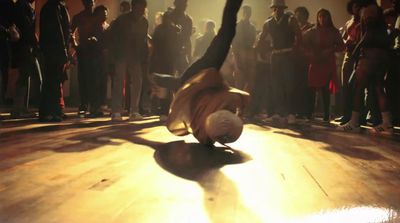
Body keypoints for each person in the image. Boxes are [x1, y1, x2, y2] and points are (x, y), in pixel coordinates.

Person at [153, 0, 249, 146]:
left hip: (200, 73)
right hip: (202, 72)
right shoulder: (219, 110)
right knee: (226, 33)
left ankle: (154, 77)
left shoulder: (203, 123)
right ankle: (155, 78)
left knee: (180, 82)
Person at [340, 0, 394, 135]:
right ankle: (387, 122)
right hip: (382, 54)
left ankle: (354, 122)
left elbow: (368, 34)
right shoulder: (377, 9)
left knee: (358, 86)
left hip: (370, 54)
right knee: (378, 87)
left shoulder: (367, 11)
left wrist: (356, 51)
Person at [258, 0, 302, 124]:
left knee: (289, 85)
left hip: (288, 54)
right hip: (275, 56)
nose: (278, 9)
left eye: (281, 7)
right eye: (276, 7)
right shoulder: (268, 23)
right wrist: (260, 50)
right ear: (273, 8)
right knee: (276, 86)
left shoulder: (290, 19)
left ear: (284, 8)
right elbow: (261, 37)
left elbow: (299, 36)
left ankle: (291, 113)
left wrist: (295, 50)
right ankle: (278, 112)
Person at [107, 0, 148, 121]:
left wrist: (144, 57)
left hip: (135, 56)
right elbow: (112, 37)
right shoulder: (121, 20)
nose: (141, 11)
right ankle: (116, 111)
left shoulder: (144, 22)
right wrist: (113, 56)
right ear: (133, 6)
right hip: (121, 55)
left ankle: (134, 111)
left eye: (143, 9)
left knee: (137, 82)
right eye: (139, 8)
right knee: (119, 82)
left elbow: (144, 40)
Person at [303, 9, 345, 122]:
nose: (322, 19)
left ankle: (326, 114)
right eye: (320, 16)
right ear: (317, 18)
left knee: (325, 89)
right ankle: (309, 113)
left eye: (325, 16)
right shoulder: (312, 31)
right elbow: (302, 41)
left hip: (327, 62)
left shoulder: (334, 31)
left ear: (329, 18)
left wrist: (331, 49)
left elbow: (342, 46)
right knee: (311, 87)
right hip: (315, 61)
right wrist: (310, 52)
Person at [39, 0, 71, 122]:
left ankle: (53, 110)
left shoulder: (55, 7)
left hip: (54, 50)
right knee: (53, 80)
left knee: (55, 80)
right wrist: (64, 50)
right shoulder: (53, 7)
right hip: (54, 50)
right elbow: (58, 31)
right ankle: (51, 111)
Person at [11, 0, 38, 119]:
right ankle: (19, 108)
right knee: (25, 76)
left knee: (24, 75)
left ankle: (20, 108)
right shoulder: (23, 6)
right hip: (25, 46)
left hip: (24, 45)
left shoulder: (22, 6)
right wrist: (35, 43)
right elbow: (27, 27)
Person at [71, 0, 96, 117]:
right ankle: (84, 103)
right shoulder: (78, 17)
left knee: (94, 78)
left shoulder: (97, 15)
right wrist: (76, 45)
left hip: (95, 51)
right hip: (83, 51)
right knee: (83, 78)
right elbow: (70, 32)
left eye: (91, 1)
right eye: (87, 2)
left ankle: (92, 104)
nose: (89, 4)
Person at [294, 6, 314, 119]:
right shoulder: (294, 27)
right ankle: (299, 111)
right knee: (297, 86)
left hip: (307, 61)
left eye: (299, 14)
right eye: (296, 14)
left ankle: (308, 111)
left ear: (304, 15)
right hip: (296, 61)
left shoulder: (311, 27)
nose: (297, 16)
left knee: (308, 86)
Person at [232, 5, 257, 92]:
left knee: (250, 83)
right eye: (245, 12)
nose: (247, 14)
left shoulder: (252, 27)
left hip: (249, 55)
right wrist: (237, 59)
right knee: (239, 82)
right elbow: (234, 44)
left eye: (249, 12)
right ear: (242, 13)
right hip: (239, 54)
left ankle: (248, 104)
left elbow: (253, 42)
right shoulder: (237, 26)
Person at [168, 0, 193, 74]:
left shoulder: (188, 19)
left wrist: (189, 55)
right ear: (176, 4)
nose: (185, 5)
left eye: (185, 3)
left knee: (184, 77)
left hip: (181, 53)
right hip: (169, 53)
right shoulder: (169, 17)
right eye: (182, 3)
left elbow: (187, 38)